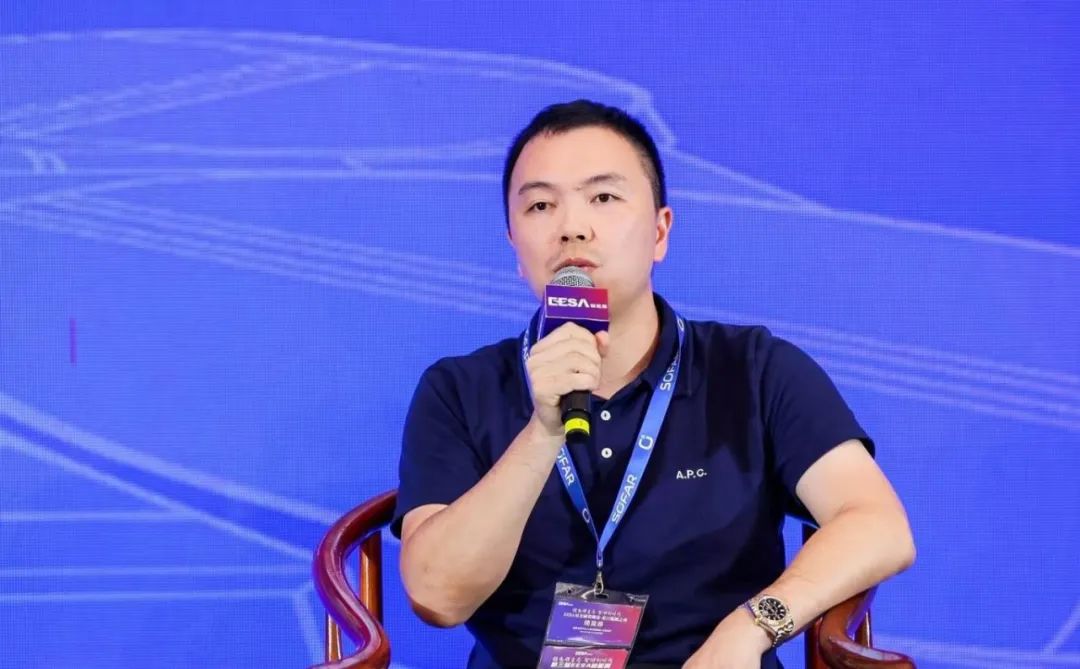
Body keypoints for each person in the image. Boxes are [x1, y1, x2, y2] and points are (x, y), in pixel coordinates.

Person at [391, 99, 915, 669]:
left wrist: (751, 628)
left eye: (603, 197)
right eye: (541, 205)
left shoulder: (754, 369)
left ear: (660, 232)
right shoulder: (459, 390)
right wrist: (543, 430)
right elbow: (438, 597)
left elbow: (878, 525)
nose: (572, 228)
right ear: (516, 247)